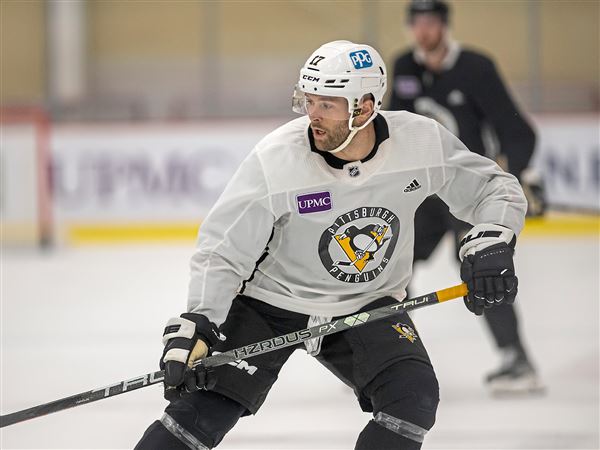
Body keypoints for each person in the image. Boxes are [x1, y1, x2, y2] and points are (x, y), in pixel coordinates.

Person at [135, 40, 526, 450]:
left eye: (327, 104)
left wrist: (491, 242)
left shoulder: (420, 143)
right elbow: (223, 249)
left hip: (366, 302)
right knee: (200, 414)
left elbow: (494, 188)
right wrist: (199, 322)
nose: (312, 115)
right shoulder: (276, 159)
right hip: (269, 302)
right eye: (308, 100)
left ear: (365, 107)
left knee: (412, 399)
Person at [389, 0, 545, 395]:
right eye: (417, 23)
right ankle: (386, 353)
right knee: (391, 267)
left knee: (485, 267)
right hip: (422, 195)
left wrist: (521, 172)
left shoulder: (476, 67)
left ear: (444, 25)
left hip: (465, 192)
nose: (423, 31)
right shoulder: (405, 66)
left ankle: (516, 359)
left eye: (431, 22)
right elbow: (391, 130)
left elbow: (515, 128)